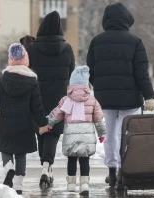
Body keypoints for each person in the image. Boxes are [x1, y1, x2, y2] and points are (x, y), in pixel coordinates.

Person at [86, 2, 154, 188]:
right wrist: (149, 95)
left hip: (104, 99)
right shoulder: (135, 41)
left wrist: (99, 86)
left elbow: (90, 71)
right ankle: (124, 172)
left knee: (109, 135)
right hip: (130, 99)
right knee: (127, 134)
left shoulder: (96, 41)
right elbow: (141, 73)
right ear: (127, 19)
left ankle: (112, 173)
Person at [0, 43, 49, 194]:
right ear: (26, 60)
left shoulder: (3, 81)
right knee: (21, 154)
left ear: (10, 60)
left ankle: (8, 168)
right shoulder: (32, 83)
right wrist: (43, 123)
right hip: (25, 125)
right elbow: (37, 107)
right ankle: (18, 184)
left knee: (5, 149)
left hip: (6, 124)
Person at [26, 11, 75, 187]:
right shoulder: (67, 48)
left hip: (37, 96)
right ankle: (47, 167)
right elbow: (72, 73)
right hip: (59, 98)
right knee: (52, 134)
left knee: (42, 131)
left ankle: (45, 167)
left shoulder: (31, 48)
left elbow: (27, 73)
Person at [42, 66, 106, 195]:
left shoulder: (66, 100)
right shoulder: (93, 101)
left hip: (70, 137)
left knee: (71, 159)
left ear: (71, 84)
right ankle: (84, 185)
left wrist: (46, 123)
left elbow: (56, 115)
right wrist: (101, 133)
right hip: (87, 137)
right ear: (86, 84)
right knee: (84, 159)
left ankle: (71, 185)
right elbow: (99, 119)